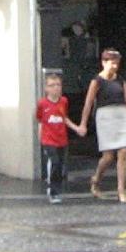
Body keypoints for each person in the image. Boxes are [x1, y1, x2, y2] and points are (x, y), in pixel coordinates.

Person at [79, 48, 126, 203]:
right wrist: (83, 124)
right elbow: (88, 103)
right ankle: (96, 178)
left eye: (117, 63)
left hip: (121, 116)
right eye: (112, 63)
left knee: (124, 152)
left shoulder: (121, 80)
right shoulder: (97, 81)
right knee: (108, 156)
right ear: (104, 63)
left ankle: (121, 190)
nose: (115, 66)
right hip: (105, 117)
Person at [34, 71, 85, 203]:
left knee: (60, 165)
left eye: (58, 85)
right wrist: (41, 139)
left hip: (61, 139)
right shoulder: (42, 104)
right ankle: (53, 191)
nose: (55, 88)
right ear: (46, 88)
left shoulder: (63, 101)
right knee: (55, 162)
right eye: (52, 85)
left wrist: (76, 128)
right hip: (48, 139)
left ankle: (55, 187)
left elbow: (64, 118)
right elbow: (40, 121)